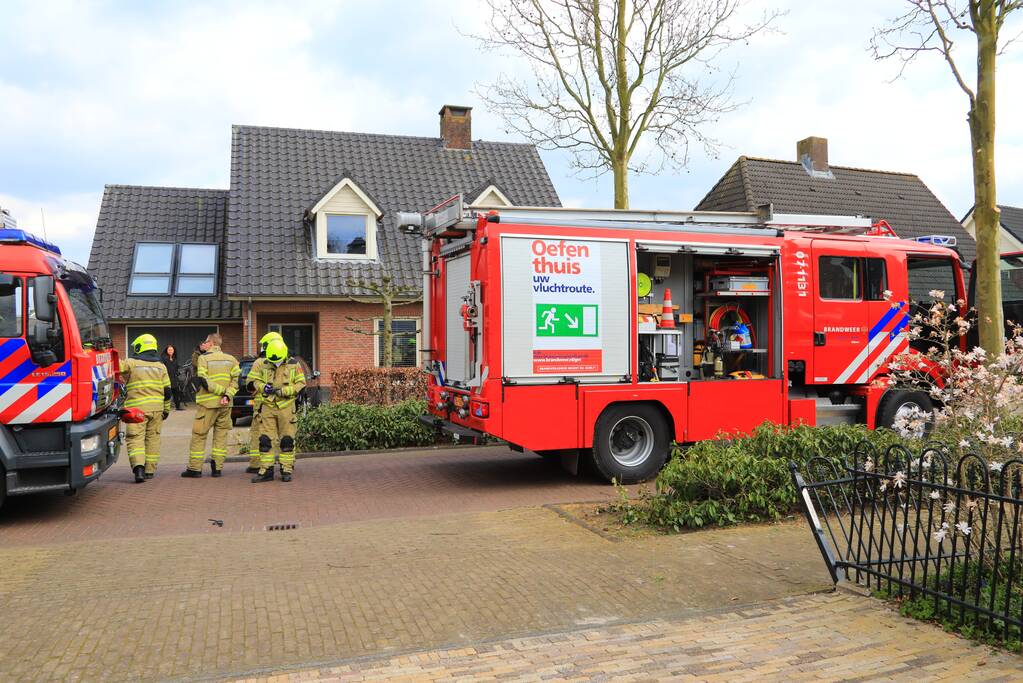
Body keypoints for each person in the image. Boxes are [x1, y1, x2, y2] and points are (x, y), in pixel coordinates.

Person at [182, 333, 240, 478]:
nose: (204, 344)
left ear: (211, 343)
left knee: (199, 436)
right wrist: (227, 395)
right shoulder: (232, 359)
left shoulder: (204, 359)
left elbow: (204, 380)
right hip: (225, 405)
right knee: (221, 436)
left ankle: (195, 469)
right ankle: (217, 469)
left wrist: (221, 392)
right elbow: (236, 382)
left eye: (206, 341)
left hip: (208, 404)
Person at [249, 338, 306, 483]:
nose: (274, 364)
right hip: (268, 406)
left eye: (277, 361)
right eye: (272, 361)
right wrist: (263, 387)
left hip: (286, 407)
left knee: (287, 440)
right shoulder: (265, 363)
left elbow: (301, 384)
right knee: (265, 440)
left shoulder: (294, 364)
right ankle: (266, 471)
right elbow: (255, 381)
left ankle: (286, 470)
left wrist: (284, 391)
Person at [121, 334, 172, 483]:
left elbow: (114, 366)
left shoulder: (131, 363)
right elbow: (167, 391)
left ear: (140, 347)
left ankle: (139, 469)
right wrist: (166, 409)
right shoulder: (161, 366)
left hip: (137, 410)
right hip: (157, 409)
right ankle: (150, 471)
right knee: (153, 439)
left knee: (135, 438)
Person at [245, 331, 283, 473]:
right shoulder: (287, 362)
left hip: (263, 406)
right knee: (283, 434)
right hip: (283, 405)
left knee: (259, 434)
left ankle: (257, 464)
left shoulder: (260, 362)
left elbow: (250, 384)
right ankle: (286, 464)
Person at [161, 345, 183, 410]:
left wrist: (178, 372)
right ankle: (164, 407)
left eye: (172, 350)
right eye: (169, 350)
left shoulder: (174, 359)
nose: (170, 351)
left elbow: (176, 368)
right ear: (166, 351)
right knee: (166, 394)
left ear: (174, 351)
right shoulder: (164, 359)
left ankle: (178, 406)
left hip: (174, 379)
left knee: (176, 393)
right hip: (167, 379)